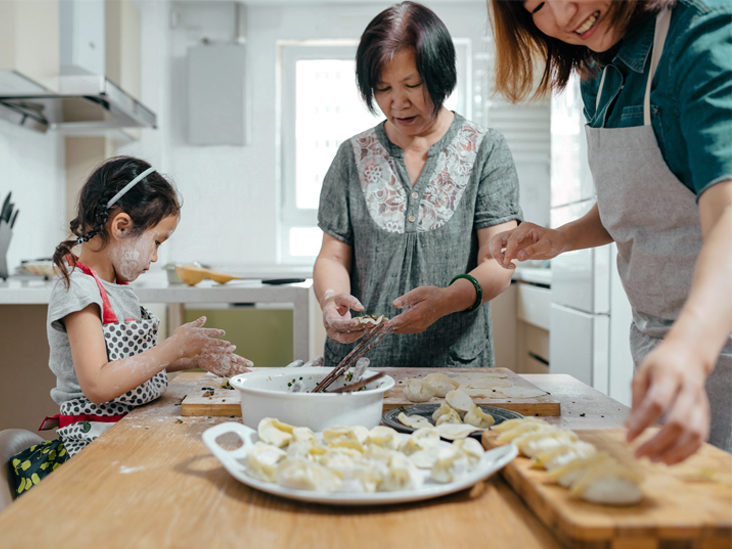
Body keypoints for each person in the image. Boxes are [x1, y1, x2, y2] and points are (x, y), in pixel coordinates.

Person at [487, 0, 732, 464]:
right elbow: (645, 197)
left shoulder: (702, 36)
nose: (563, 15)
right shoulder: (595, 75)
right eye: (538, 5)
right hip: (660, 352)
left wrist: (690, 348)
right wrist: (560, 238)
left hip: (709, 344)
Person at [9, 156, 252, 496]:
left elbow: (136, 363)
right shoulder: (79, 290)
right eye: (157, 242)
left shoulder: (119, 289)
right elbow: (98, 382)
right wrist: (172, 347)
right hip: (93, 447)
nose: (155, 257)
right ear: (121, 226)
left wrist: (190, 357)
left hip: (125, 431)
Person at [313, 1, 522, 368]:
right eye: (382, 89)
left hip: (455, 365)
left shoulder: (485, 149)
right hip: (362, 365)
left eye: (412, 84)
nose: (397, 103)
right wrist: (332, 298)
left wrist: (446, 300)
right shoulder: (352, 155)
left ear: (440, 74)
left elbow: (498, 260)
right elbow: (332, 255)